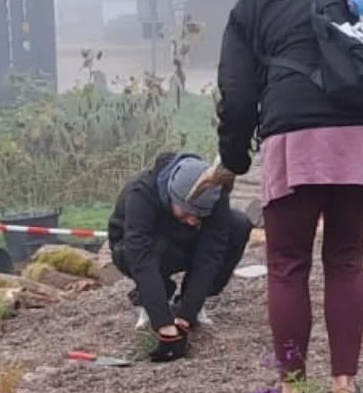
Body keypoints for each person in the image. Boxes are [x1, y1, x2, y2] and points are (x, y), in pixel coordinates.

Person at [194, 0, 363, 393]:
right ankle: (345, 391)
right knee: (346, 261)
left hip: (297, 139)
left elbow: (238, 96)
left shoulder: (252, 8)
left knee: (288, 265)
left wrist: (232, 162)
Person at [107, 152, 253, 362]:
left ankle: (189, 300)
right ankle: (151, 298)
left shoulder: (213, 189)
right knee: (155, 248)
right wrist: (164, 326)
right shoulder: (141, 193)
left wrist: (186, 314)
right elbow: (141, 258)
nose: (194, 220)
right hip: (132, 248)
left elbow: (211, 253)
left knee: (238, 225)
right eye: (187, 213)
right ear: (173, 197)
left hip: (181, 239)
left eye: (200, 215)